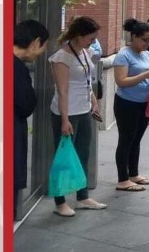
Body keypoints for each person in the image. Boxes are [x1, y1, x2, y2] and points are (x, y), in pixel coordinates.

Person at [47, 17, 108, 216]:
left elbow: (87, 80)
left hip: (83, 109)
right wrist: (64, 120)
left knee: (83, 153)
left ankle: (82, 197)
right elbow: (62, 90)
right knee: (64, 157)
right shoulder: (61, 58)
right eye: (90, 38)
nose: (93, 42)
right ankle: (60, 202)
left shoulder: (85, 52)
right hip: (67, 112)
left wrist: (93, 101)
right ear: (78, 36)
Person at [111, 18, 149, 192]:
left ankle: (133, 173)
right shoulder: (123, 55)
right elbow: (121, 81)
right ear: (133, 37)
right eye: (145, 40)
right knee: (126, 139)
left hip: (144, 102)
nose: (148, 44)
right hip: (127, 103)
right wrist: (146, 75)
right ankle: (122, 179)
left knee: (136, 139)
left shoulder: (146, 54)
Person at [12, 20, 48, 217]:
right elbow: (26, 104)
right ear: (35, 42)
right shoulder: (16, 68)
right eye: (43, 47)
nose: (41, 52)